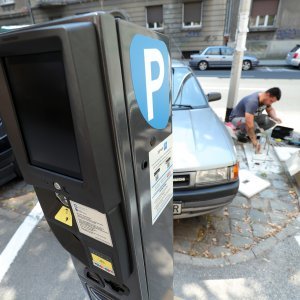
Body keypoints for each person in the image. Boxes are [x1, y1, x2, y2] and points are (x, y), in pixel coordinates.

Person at [229, 87, 282, 153]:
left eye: (272, 102)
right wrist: (255, 142)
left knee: (271, 122)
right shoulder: (252, 102)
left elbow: (270, 109)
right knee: (252, 125)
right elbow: (249, 124)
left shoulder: (264, 99)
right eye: (271, 101)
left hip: (251, 118)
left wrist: (274, 117)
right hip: (237, 119)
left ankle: (249, 134)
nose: (270, 103)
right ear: (268, 94)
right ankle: (240, 133)